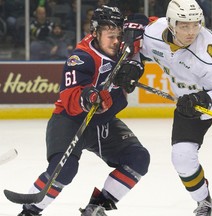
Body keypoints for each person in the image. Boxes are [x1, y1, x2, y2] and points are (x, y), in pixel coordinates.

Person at [116, 0, 212, 215]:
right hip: (187, 100)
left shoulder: (209, 51)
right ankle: (204, 203)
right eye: (184, 25)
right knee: (181, 157)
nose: (191, 31)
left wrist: (203, 101)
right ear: (171, 24)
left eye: (195, 24)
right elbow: (138, 40)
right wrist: (133, 64)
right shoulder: (155, 34)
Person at [17, 5, 150, 216]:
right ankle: (30, 211)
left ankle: (97, 207)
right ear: (95, 33)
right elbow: (69, 97)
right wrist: (88, 97)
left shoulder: (124, 46)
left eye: (119, 35)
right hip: (71, 120)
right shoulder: (82, 57)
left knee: (139, 159)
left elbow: (147, 21)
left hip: (102, 122)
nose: (116, 41)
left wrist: (138, 30)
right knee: (65, 170)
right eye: (110, 36)